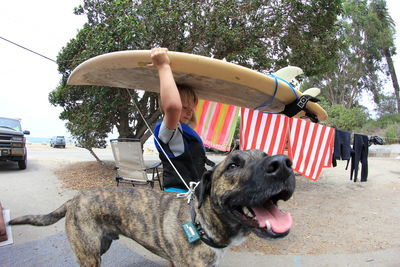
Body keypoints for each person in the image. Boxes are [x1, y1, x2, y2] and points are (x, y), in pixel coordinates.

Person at [151, 48, 208, 190]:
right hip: (176, 195)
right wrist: (163, 66)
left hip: (193, 193)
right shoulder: (166, 131)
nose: (189, 112)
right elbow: (172, 107)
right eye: (184, 107)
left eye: (191, 108)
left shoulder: (185, 131)